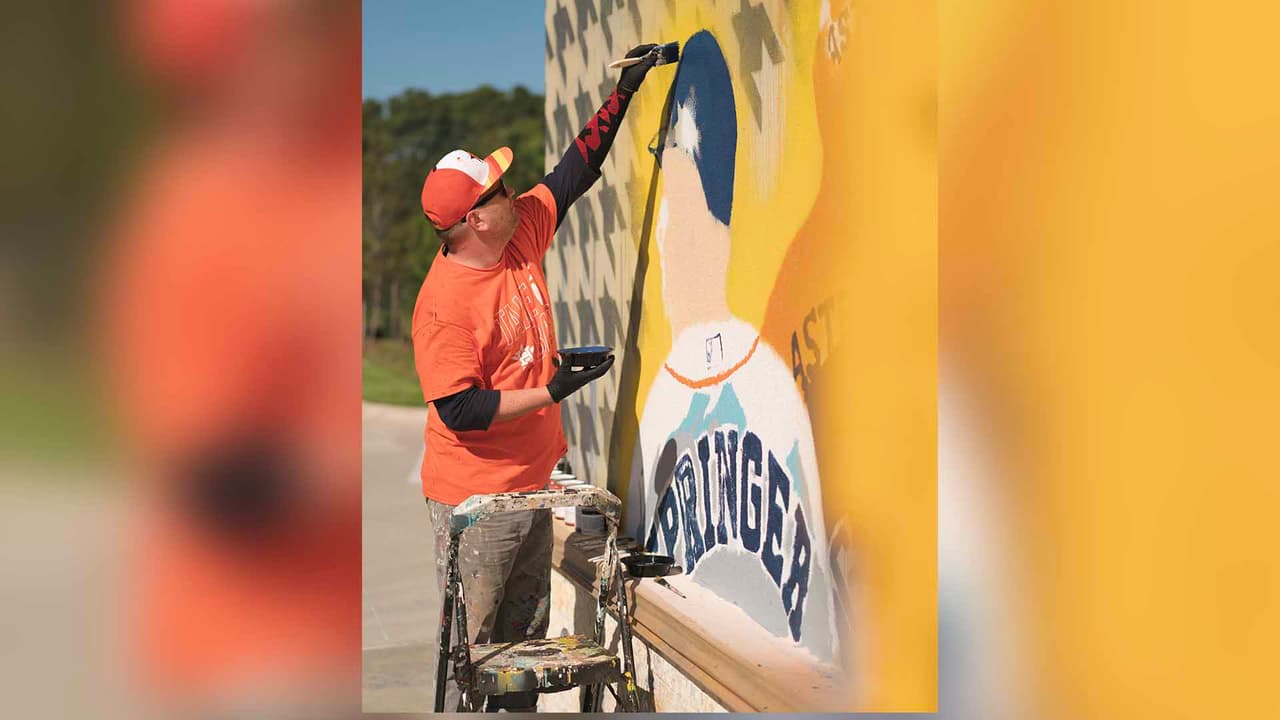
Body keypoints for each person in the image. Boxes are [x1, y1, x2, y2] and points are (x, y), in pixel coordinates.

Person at [413, 44, 666, 712]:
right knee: (483, 660)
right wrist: (554, 391)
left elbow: (573, 171)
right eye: (497, 189)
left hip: (530, 485)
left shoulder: (517, 229)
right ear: (472, 217)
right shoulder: (445, 308)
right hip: (476, 507)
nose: (513, 192)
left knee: (524, 651)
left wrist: (626, 94)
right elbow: (462, 410)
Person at [625, 30, 838, 664]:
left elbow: (820, 590)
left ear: (720, 223)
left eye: (682, 208)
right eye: (669, 212)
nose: (666, 239)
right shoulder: (664, 395)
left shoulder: (767, 384)